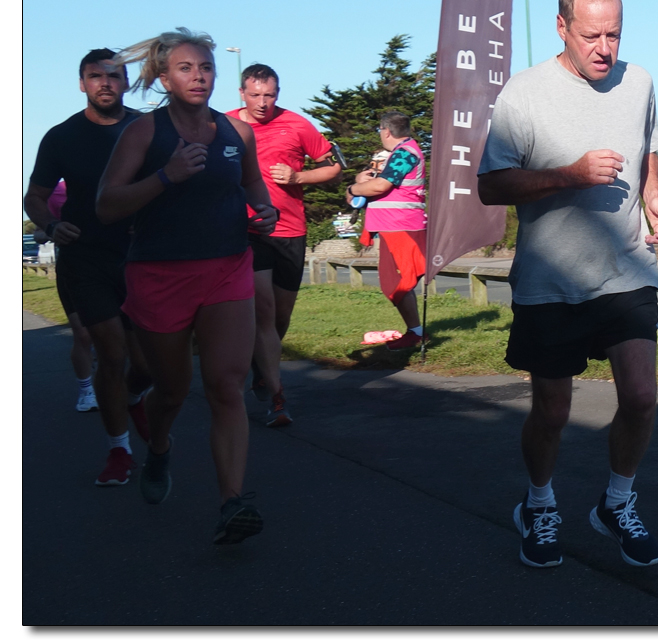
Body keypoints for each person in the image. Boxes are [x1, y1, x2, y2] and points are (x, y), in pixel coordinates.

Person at [477, 0, 658, 569]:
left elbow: (648, 151)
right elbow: (490, 185)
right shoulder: (524, 93)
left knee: (642, 397)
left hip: (627, 267)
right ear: (562, 27)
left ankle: (617, 502)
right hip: (551, 279)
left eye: (614, 34)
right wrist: (568, 173)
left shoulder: (638, 82)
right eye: (591, 35)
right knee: (553, 411)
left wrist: (655, 196)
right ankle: (539, 504)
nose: (604, 48)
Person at [96, 28, 278, 545]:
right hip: (159, 273)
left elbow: (251, 184)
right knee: (172, 388)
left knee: (225, 384)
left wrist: (261, 211)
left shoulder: (234, 133)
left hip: (226, 266)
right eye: (185, 68)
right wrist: (166, 177)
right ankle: (157, 449)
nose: (199, 77)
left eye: (205, 68)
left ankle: (231, 503)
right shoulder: (143, 135)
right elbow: (107, 206)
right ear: (163, 77)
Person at [24, 50, 152, 484]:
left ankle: (135, 397)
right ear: (82, 83)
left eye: (113, 76)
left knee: (148, 362)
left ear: (126, 81)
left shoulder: (146, 128)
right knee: (111, 354)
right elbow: (35, 197)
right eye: (95, 76)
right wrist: (51, 225)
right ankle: (119, 450)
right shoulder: (62, 137)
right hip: (87, 257)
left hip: (140, 256)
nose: (104, 83)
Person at [226, 63, 343, 427]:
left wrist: (298, 176)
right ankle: (278, 398)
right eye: (255, 95)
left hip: (290, 228)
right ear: (241, 94)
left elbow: (333, 167)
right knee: (263, 309)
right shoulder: (225, 125)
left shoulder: (296, 124)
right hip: (248, 229)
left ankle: (263, 366)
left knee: (280, 316)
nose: (263, 102)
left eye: (270, 95)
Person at [347, 112, 427, 350]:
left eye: (380, 130)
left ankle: (416, 333)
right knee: (397, 283)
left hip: (402, 227)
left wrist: (354, 187)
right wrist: (360, 184)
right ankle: (415, 331)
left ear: (386, 131)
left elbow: (382, 185)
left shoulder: (405, 153)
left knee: (398, 283)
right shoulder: (401, 152)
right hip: (394, 226)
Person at [35, 180, 97, 411]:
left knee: (121, 335)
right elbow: (42, 229)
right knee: (82, 333)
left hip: (114, 265)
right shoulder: (56, 190)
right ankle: (86, 390)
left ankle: (122, 386)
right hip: (74, 267)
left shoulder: (119, 175)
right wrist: (48, 231)